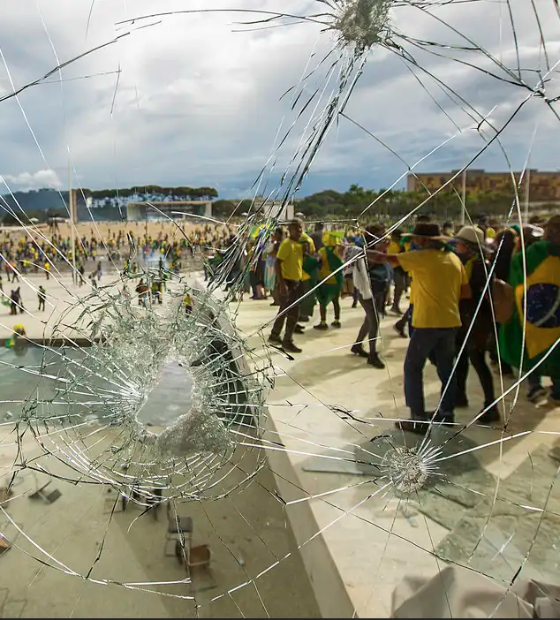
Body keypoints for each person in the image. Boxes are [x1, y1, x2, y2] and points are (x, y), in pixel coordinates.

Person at [370, 222, 470, 433]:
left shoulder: (422, 257)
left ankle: (418, 419)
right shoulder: (454, 259)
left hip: (427, 323)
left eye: (416, 238)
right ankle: (446, 413)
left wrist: (355, 252)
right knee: (446, 370)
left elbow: (382, 258)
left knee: (413, 368)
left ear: (424, 240)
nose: (414, 241)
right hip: (451, 322)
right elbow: (466, 293)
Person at [500, 215, 560, 404]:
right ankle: (558, 390)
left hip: (534, 313)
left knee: (529, 346)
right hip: (554, 317)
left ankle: (534, 386)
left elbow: (518, 270)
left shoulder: (535, 252)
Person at [452, 226, 499, 424]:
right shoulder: (473, 263)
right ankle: (460, 395)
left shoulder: (479, 266)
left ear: (469, 247)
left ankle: (491, 406)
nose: (457, 247)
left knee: (477, 360)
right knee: (462, 357)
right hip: (467, 317)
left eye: (460, 244)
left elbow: (470, 293)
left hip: (476, 319)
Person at [352, 225, 391, 369]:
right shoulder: (364, 248)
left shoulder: (381, 248)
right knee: (374, 321)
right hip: (367, 290)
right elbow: (366, 267)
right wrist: (380, 250)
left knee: (369, 320)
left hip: (380, 287)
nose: (385, 237)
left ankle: (357, 345)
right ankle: (372, 355)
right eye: (382, 234)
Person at [269, 219, 306, 353]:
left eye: (301, 229)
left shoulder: (298, 245)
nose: (299, 232)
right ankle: (287, 341)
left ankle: (274, 335)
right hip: (287, 282)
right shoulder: (287, 244)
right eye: (296, 229)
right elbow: (277, 263)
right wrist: (283, 284)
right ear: (290, 230)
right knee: (292, 313)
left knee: (284, 310)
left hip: (296, 282)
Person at [314, 235, 344, 331]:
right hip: (338, 279)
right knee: (336, 301)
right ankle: (337, 320)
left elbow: (317, 262)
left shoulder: (322, 251)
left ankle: (323, 322)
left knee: (322, 302)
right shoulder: (340, 251)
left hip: (326, 279)